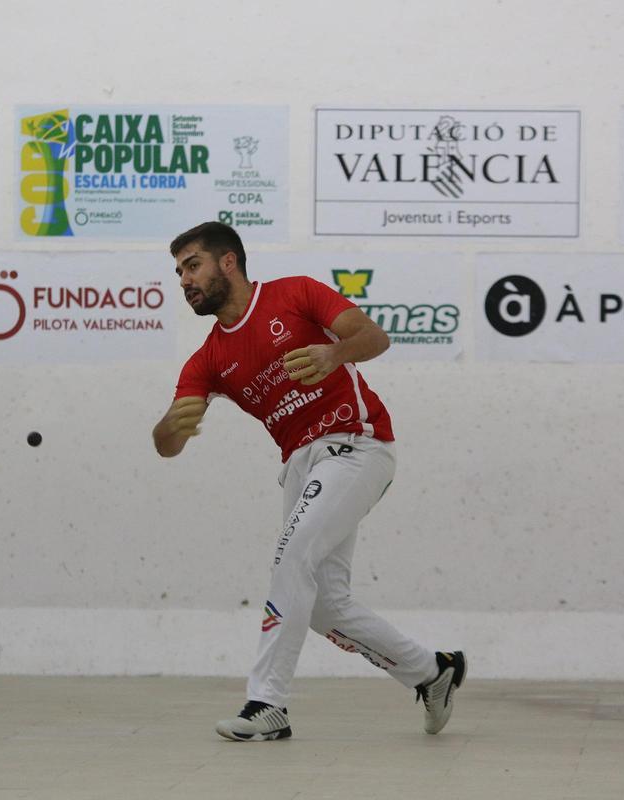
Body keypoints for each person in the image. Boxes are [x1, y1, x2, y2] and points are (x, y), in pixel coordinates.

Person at [153, 221, 465, 742]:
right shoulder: (208, 358)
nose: (184, 279)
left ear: (228, 261)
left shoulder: (295, 293)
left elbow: (375, 337)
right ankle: (432, 672)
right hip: (301, 467)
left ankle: (268, 704)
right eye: (179, 271)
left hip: (357, 447)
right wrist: (171, 427)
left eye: (192, 265)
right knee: (324, 606)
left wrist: (333, 354)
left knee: (291, 556)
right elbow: (167, 442)